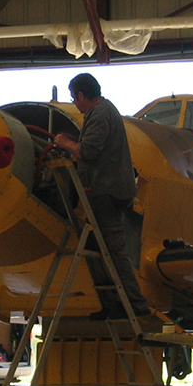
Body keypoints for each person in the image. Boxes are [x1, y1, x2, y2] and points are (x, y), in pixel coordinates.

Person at [53, 73, 151, 321]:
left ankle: (135, 305)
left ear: (82, 96)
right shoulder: (104, 111)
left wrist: (65, 143)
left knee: (114, 250)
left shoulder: (98, 114)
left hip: (106, 194)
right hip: (105, 192)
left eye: (74, 98)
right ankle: (113, 303)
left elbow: (88, 151)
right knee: (98, 249)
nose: (74, 103)